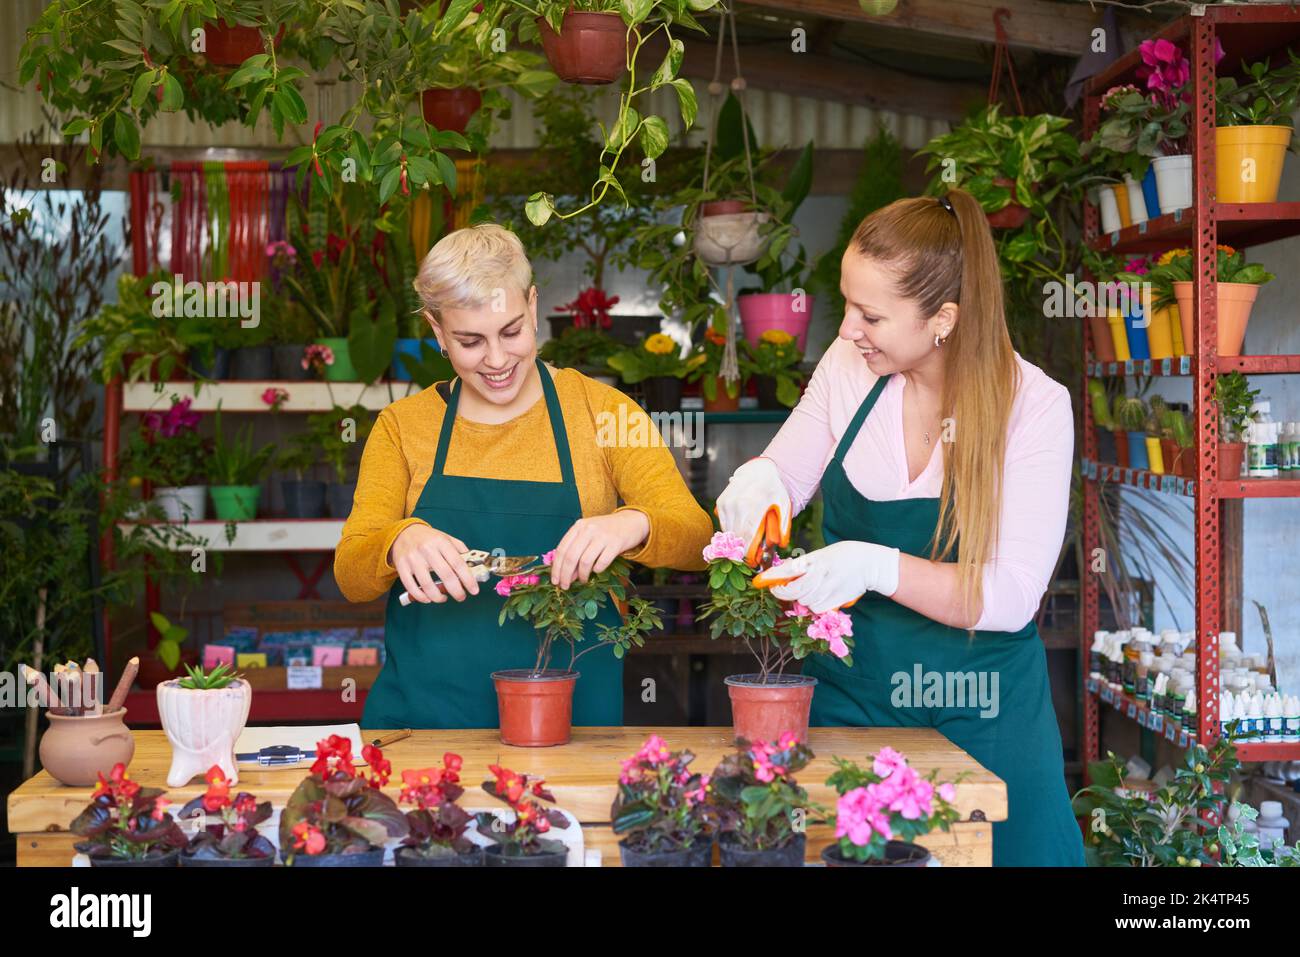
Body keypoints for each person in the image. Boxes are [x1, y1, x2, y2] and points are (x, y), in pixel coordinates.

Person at [716, 190, 1084, 866]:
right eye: (847, 303)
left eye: (871, 314)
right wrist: (760, 484)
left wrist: (874, 565)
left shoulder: (1034, 407)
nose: (848, 327)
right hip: (857, 707)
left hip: (988, 715)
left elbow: (1010, 595)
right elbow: (789, 473)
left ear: (943, 318)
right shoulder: (848, 368)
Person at [336, 224, 712, 730]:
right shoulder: (404, 427)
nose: (496, 360)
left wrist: (633, 524)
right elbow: (351, 575)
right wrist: (399, 540)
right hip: (425, 726)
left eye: (511, 332)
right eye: (470, 341)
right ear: (436, 330)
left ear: (533, 307)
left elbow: (697, 539)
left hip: (572, 728)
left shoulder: (602, 412)